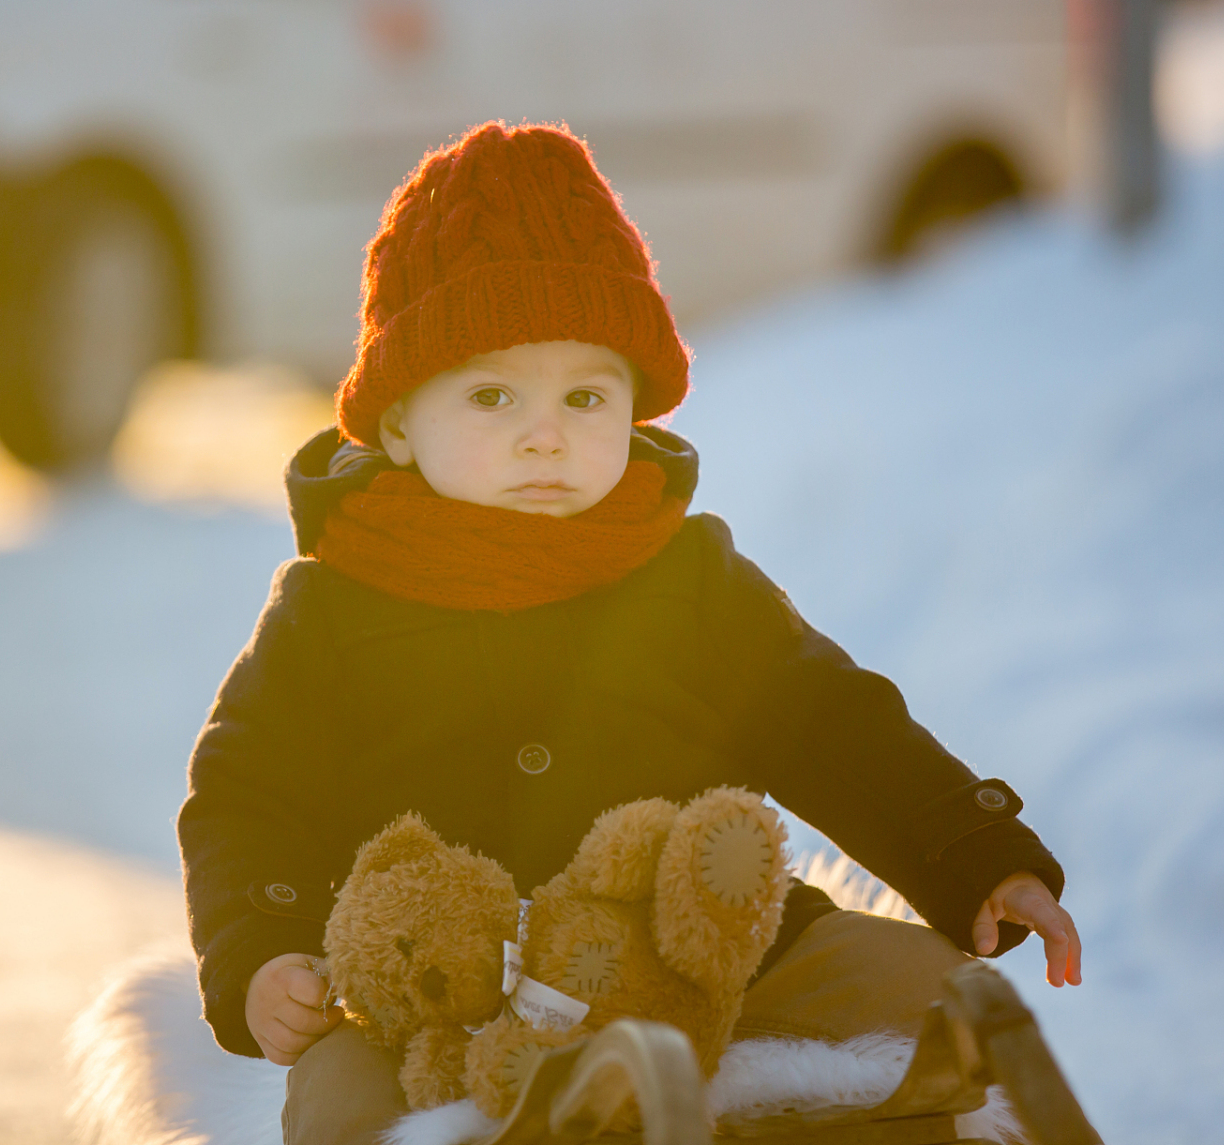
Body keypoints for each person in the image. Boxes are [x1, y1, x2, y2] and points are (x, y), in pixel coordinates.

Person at [177, 122, 1081, 1145]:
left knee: (926, 988)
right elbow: (247, 796)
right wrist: (266, 950)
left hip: (702, 950)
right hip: (444, 979)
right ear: (394, 424)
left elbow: (832, 722)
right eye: (490, 394)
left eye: (585, 394)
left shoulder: (688, 575)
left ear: (633, 406)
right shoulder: (334, 607)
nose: (544, 430)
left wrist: (974, 853)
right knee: (341, 1096)